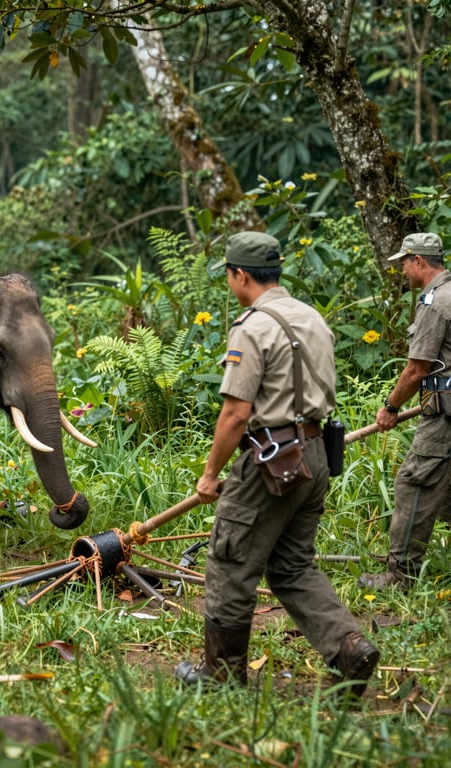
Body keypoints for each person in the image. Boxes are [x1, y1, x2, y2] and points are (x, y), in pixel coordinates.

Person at [175, 231, 379, 698]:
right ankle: (348, 648)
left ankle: (221, 675)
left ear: (239, 275)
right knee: (291, 565)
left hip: (269, 463)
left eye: (228, 275)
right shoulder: (311, 317)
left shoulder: (253, 327)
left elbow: (235, 413)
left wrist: (210, 475)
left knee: (230, 562)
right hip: (315, 455)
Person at [359, 232, 451, 589]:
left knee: (413, 483)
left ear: (419, 261)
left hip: (444, 417)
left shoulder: (435, 301)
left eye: (404, 263)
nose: (401, 271)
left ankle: (399, 575)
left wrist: (390, 406)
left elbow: (416, 368)